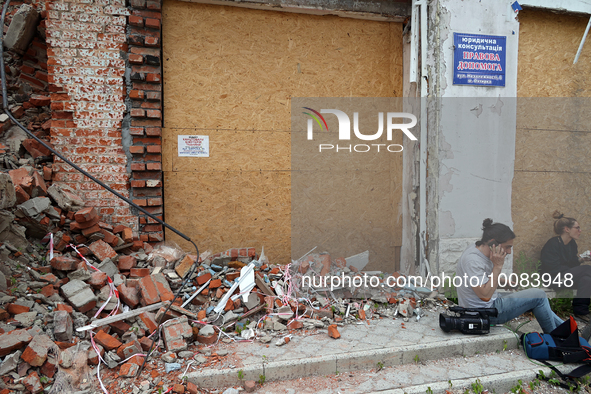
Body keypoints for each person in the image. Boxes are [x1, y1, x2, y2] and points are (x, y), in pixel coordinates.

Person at [456, 218, 563, 333]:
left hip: (486, 306)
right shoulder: (473, 260)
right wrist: (497, 266)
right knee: (539, 295)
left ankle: (569, 331)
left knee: (535, 299)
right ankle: (557, 339)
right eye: (507, 247)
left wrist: (503, 282)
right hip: (484, 313)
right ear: (493, 243)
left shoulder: (478, 250)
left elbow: (480, 279)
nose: (509, 252)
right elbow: (485, 296)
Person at [540, 211, 591, 323]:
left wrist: (582, 259)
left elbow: (571, 264)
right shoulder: (552, 244)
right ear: (567, 229)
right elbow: (552, 269)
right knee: (588, 270)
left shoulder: (572, 244)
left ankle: (580, 311)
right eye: (577, 228)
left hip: (566, 277)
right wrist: (573, 271)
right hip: (553, 278)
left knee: (587, 279)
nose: (580, 231)